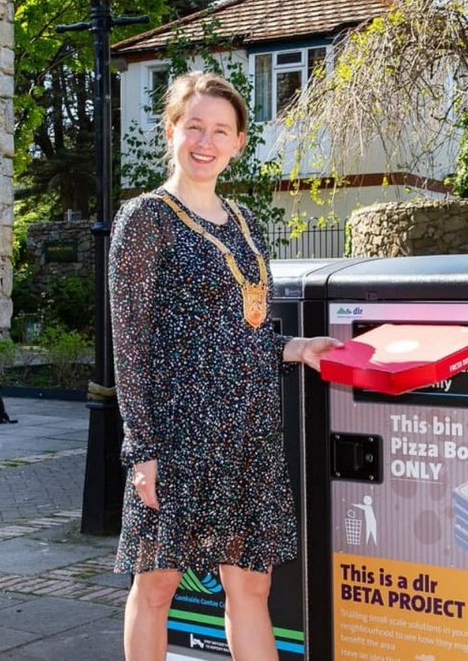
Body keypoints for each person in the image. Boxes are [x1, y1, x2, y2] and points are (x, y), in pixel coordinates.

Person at [109, 71, 341, 661]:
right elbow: (129, 348)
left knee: (252, 587)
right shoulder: (144, 218)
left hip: (247, 432)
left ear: (238, 142)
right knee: (156, 586)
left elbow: (240, 331)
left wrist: (295, 348)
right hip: (177, 433)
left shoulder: (242, 221)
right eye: (194, 127)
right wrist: (142, 451)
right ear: (171, 131)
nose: (205, 142)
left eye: (220, 130)